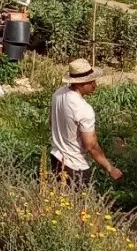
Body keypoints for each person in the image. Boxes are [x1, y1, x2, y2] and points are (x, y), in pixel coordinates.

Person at [49, 58, 123, 186]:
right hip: (75, 166)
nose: (95, 85)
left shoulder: (58, 94)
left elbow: (51, 122)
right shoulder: (83, 109)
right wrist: (110, 168)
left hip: (57, 158)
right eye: (90, 82)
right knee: (79, 203)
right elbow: (91, 146)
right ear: (79, 84)